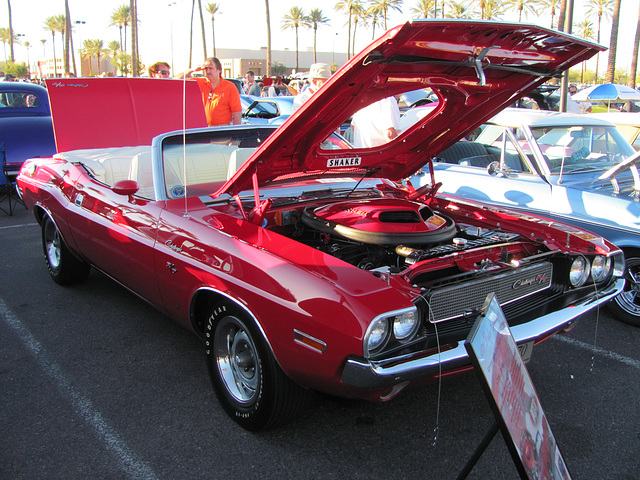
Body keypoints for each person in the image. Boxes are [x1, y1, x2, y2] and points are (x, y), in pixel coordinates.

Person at [176, 57, 242, 126]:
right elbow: (175, 80)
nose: (208, 71)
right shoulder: (199, 83)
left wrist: (235, 133)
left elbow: (237, 113)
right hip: (203, 129)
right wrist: (191, 70)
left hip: (222, 130)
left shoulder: (230, 87)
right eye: (206, 69)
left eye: (211, 68)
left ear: (219, 70)